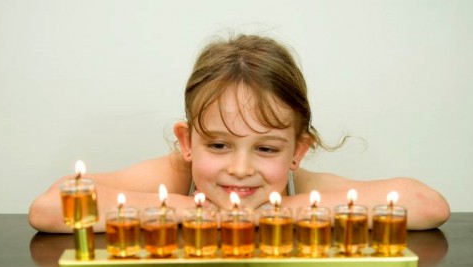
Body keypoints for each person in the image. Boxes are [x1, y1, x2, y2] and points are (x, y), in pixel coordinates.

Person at [28, 34, 449, 233]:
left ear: (297, 151)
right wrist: (174, 208)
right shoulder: (174, 178)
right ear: (187, 142)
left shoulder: (302, 189)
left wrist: (299, 208)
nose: (240, 168)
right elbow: (48, 208)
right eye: (218, 144)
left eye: (266, 148)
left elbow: (428, 204)